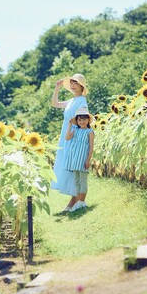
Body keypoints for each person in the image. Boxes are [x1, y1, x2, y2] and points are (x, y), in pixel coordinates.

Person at [50, 73, 89, 212]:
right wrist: (57, 88)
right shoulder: (71, 101)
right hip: (65, 135)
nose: (72, 85)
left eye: (75, 83)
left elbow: (83, 121)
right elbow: (54, 104)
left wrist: (76, 138)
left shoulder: (82, 101)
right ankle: (74, 199)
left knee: (73, 166)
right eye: (71, 82)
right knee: (67, 165)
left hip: (74, 136)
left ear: (81, 86)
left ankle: (76, 200)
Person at [64, 107, 94, 212]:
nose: (82, 121)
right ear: (77, 121)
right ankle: (78, 202)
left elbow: (91, 147)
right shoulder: (75, 130)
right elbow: (67, 138)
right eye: (79, 120)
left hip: (83, 159)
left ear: (88, 120)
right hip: (74, 159)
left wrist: (88, 160)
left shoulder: (90, 131)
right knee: (76, 181)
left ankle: (82, 202)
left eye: (84, 119)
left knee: (82, 180)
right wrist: (69, 125)